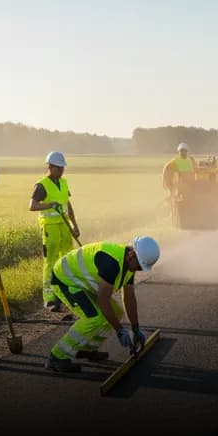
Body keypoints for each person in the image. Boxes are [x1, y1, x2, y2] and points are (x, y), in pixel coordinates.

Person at [44, 236, 161, 373]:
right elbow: (103, 301)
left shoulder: (129, 265)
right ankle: (57, 356)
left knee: (116, 313)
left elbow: (129, 298)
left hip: (82, 283)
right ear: (131, 254)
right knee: (94, 318)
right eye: (139, 266)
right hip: (65, 280)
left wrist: (135, 328)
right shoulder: (111, 264)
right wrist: (119, 330)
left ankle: (87, 349)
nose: (139, 269)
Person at [29, 150, 80, 312]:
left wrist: (74, 225)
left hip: (64, 226)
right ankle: (50, 298)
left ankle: (67, 294)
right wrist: (50, 205)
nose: (61, 171)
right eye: (59, 168)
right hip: (50, 228)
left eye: (62, 168)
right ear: (50, 167)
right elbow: (32, 206)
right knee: (51, 262)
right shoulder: (42, 185)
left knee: (67, 259)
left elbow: (67, 204)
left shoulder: (63, 183)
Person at [162, 143, 196, 224]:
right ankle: (172, 214)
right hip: (171, 181)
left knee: (176, 197)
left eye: (185, 151)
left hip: (176, 182)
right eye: (182, 151)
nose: (183, 153)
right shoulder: (178, 161)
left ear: (187, 152)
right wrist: (173, 187)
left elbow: (190, 173)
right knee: (175, 197)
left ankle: (172, 213)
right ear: (179, 152)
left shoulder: (186, 160)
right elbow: (183, 176)